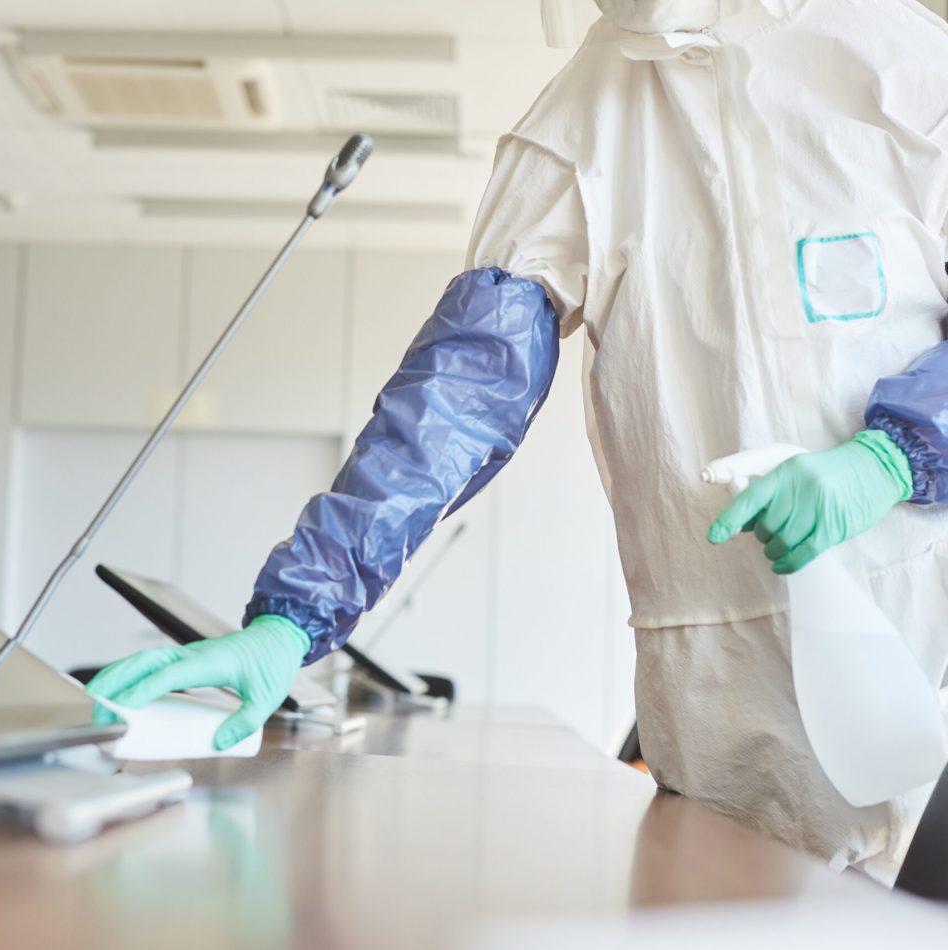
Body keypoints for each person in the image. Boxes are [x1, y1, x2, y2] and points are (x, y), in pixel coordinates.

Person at [88, 0, 948, 884]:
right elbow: (462, 391)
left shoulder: (909, 64)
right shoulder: (584, 118)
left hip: (923, 639)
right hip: (718, 693)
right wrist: (294, 616)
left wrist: (891, 458)